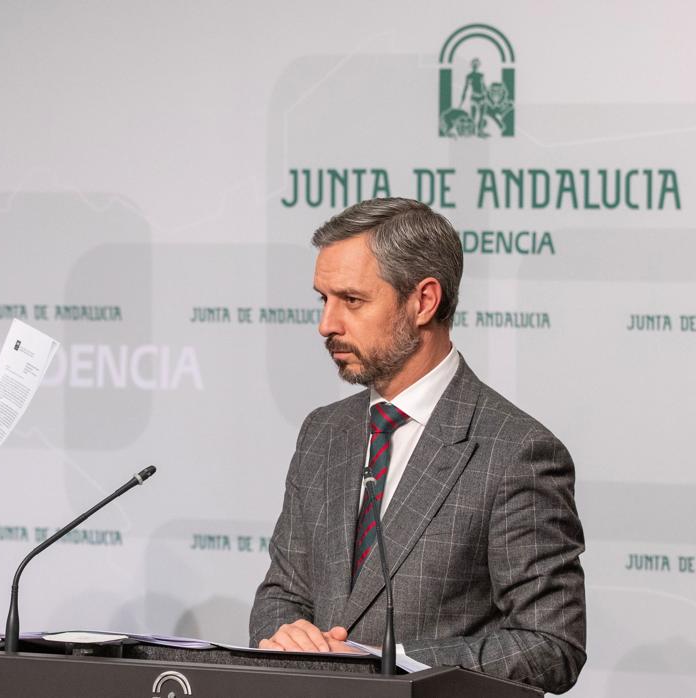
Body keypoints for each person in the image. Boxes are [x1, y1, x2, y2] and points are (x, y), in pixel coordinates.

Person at [248, 198, 586, 693]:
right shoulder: (323, 433)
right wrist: (283, 634)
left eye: (352, 300)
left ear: (424, 301)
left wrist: (390, 663)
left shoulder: (515, 451)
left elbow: (551, 645)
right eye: (323, 299)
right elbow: (282, 594)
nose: (327, 324)